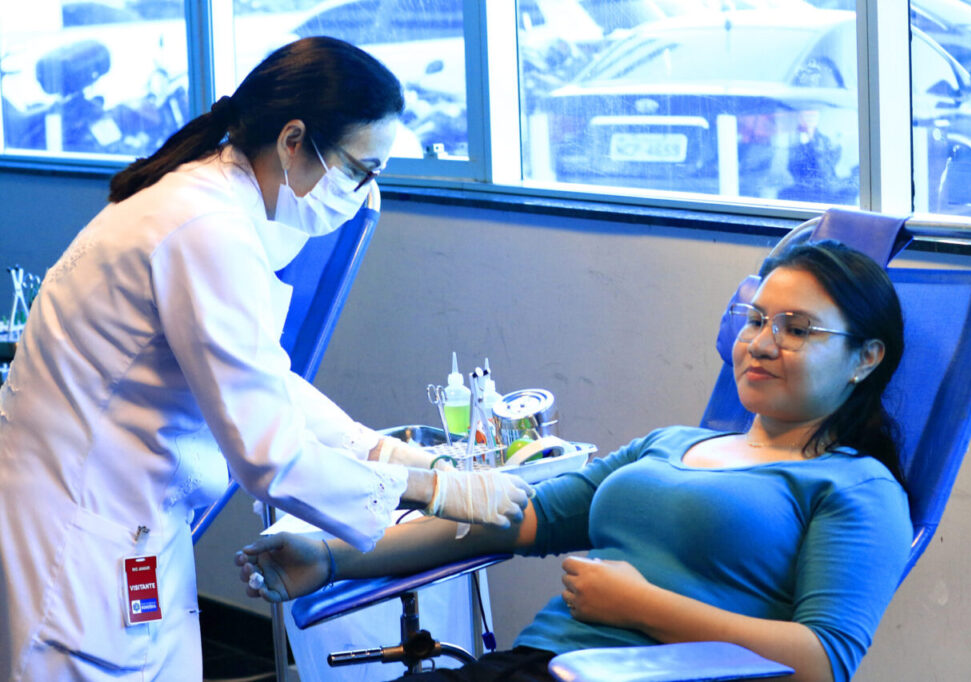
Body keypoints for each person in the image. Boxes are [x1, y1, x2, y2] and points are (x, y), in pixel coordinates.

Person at [0, 37, 530, 681]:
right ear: (293, 140)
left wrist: (386, 452)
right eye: (359, 170)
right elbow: (271, 458)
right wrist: (435, 490)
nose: (363, 192)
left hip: (123, 519)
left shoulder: (213, 201)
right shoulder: (204, 228)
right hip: (84, 532)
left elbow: (262, 375)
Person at [236, 241, 913, 682]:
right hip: (535, 665)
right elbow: (511, 518)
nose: (760, 343)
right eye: (756, 319)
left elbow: (823, 662)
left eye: (797, 329)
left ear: (866, 358)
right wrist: (330, 557)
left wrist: (644, 606)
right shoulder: (671, 443)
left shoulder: (855, 486)